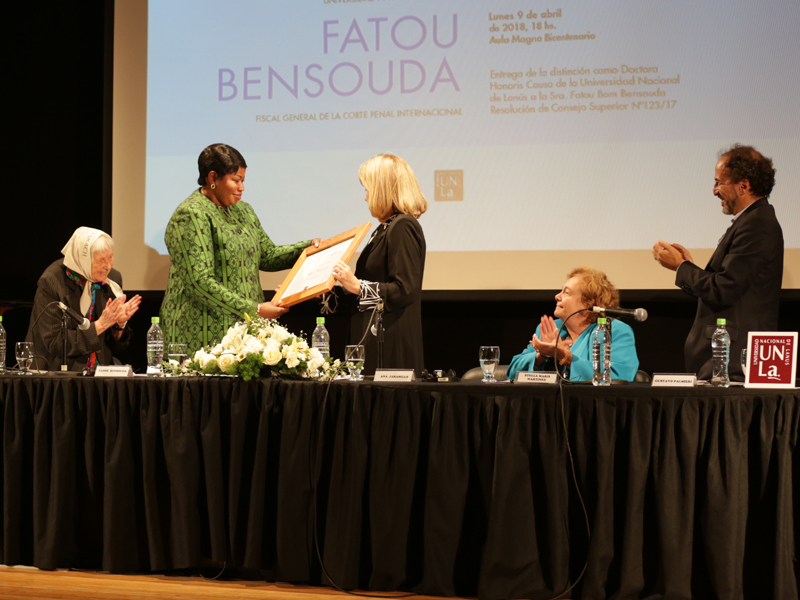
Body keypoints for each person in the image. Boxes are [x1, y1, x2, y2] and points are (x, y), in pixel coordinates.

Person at [161, 143, 318, 353]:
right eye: (236, 180)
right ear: (213, 177)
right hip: (202, 333)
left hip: (245, 330)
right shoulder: (191, 214)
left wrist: (308, 249)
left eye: (243, 180)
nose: (241, 187)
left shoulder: (243, 211)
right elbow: (199, 282)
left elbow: (267, 255)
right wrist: (255, 309)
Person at [653, 144, 783, 381]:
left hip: (731, 361)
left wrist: (681, 267)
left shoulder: (757, 224)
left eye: (719, 182)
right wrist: (688, 266)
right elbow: (728, 285)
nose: (714, 191)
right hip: (725, 359)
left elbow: (724, 289)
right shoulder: (751, 220)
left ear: (743, 186)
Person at [332, 154, 428, 376]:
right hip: (376, 339)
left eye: (368, 189)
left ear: (382, 190)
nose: (366, 197)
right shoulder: (385, 228)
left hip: (391, 345)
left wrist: (358, 286)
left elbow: (405, 289)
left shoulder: (403, 225)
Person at [26, 227, 142, 372]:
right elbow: (56, 343)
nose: (108, 266)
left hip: (100, 372)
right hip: (57, 373)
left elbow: (117, 348)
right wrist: (100, 325)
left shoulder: (112, 278)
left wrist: (119, 325)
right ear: (83, 260)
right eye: (101, 260)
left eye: (110, 257)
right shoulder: (51, 281)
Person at [507, 267, 639, 382]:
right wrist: (542, 355)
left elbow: (618, 377)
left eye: (566, 292)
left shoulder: (614, 331)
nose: (557, 296)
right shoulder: (553, 328)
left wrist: (565, 356)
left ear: (588, 303)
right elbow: (512, 374)